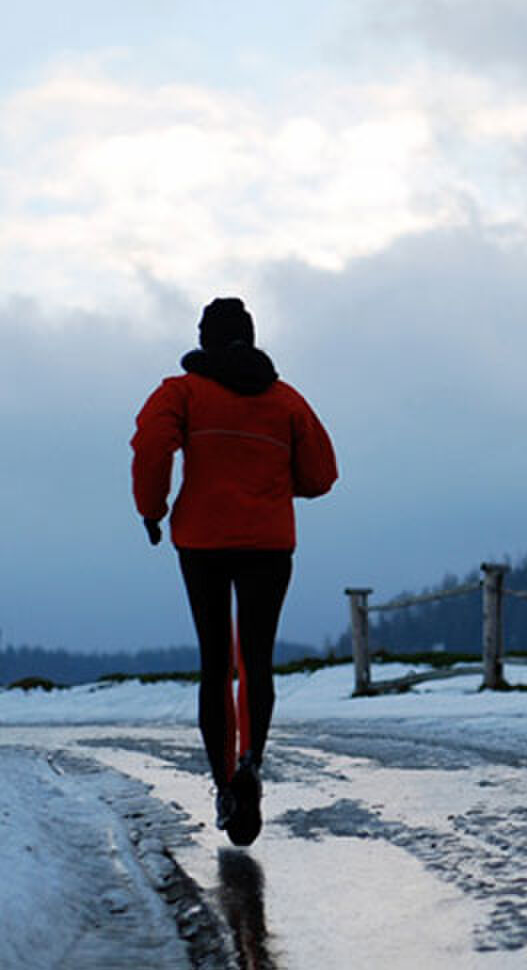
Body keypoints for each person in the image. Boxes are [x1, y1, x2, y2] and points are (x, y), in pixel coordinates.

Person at [131, 297, 337, 843]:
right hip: (269, 543)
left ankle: (226, 785)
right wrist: (271, 487)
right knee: (257, 658)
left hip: (202, 542)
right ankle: (251, 762)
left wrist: (151, 509)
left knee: (216, 661)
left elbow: (151, 445)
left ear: (204, 340)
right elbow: (320, 475)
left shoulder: (182, 393)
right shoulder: (285, 399)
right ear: (250, 337)